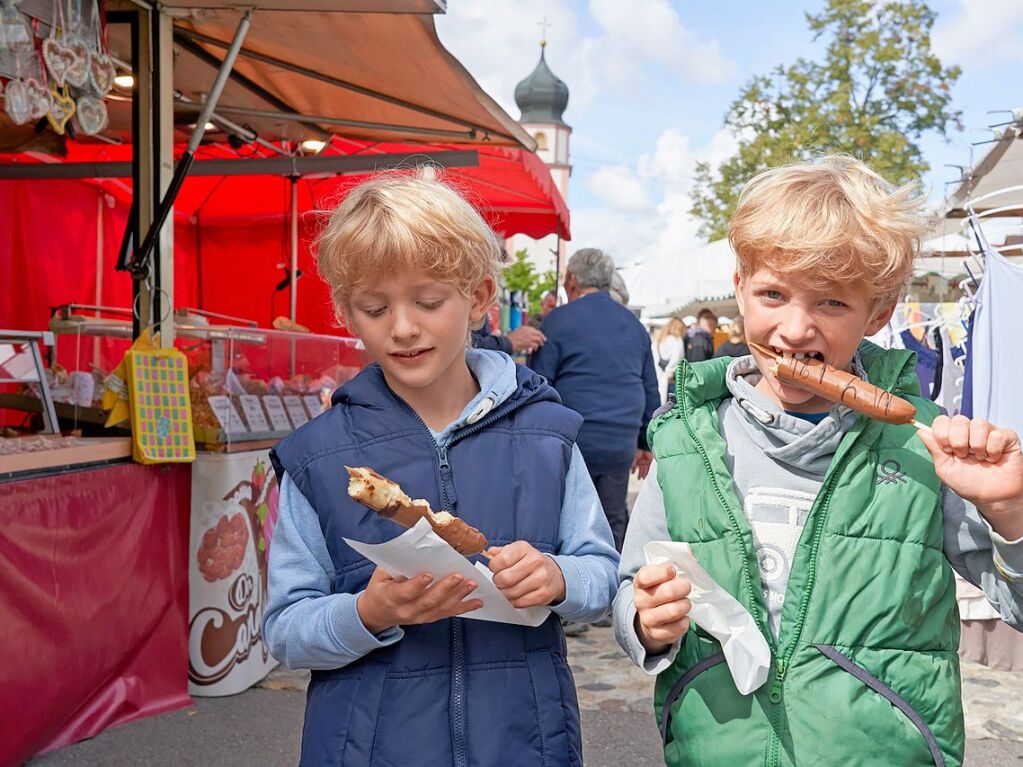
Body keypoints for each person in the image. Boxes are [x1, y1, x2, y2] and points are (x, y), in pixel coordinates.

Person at [613, 156, 1023, 766]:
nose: (796, 330)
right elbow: (630, 589)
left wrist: (1011, 515)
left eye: (832, 303)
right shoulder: (687, 438)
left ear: (878, 314)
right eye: (773, 294)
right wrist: (645, 619)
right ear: (741, 289)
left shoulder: (926, 446)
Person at [263, 170, 619, 766]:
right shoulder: (318, 456)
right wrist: (366, 613)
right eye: (375, 308)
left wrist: (557, 577)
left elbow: (600, 573)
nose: (402, 327)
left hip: (524, 742)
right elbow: (286, 628)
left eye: (428, 302)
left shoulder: (549, 436)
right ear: (347, 313)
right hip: (368, 746)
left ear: (479, 297)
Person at [532, 248, 660, 553]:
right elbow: (649, 387)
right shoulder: (635, 326)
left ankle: (569, 584)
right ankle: (617, 587)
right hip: (620, 443)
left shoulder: (558, 321)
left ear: (572, 279)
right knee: (613, 516)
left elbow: (538, 387)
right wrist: (645, 443)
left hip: (571, 441)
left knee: (564, 519)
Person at [652, 317, 686, 403]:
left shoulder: (658, 339)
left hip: (657, 378)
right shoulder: (677, 341)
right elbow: (677, 361)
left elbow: (654, 360)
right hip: (671, 382)